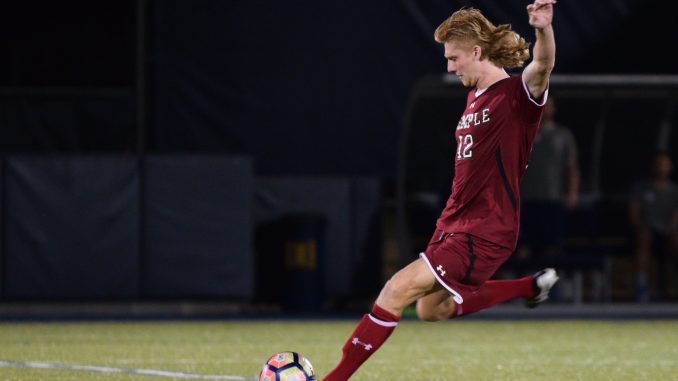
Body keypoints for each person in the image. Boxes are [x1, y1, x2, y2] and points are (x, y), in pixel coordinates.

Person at [323, 1, 559, 380]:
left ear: (477, 52)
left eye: (453, 57)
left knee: (395, 289)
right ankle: (527, 286)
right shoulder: (473, 98)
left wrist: (543, 30)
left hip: (484, 229)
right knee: (431, 310)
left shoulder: (517, 96)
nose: (449, 67)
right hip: (454, 223)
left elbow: (542, 66)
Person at [517, 96, 580, 260]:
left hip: (553, 198)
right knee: (524, 247)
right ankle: (525, 283)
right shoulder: (524, 131)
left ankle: (551, 284)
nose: (545, 108)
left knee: (552, 247)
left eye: (549, 105)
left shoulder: (564, 135)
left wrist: (572, 193)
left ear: (554, 109)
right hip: (527, 199)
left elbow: (571, 167)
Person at [629, 152, 678, 302]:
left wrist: (671, 228)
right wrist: (640, 227)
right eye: (658, 164)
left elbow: (676, 217)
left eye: (664, 164)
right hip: (647, 231)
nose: (661, 168)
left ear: (670, 167)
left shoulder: (674, 191)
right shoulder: (641, 188)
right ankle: (641, 284)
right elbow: (634, 214)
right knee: (644, 238)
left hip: (668, 232)